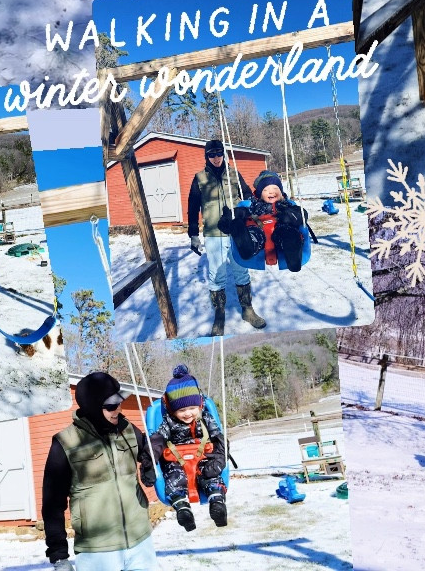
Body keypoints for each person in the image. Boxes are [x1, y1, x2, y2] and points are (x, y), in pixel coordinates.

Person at [41, 371, 157, 571]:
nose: (118, 409)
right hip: (97, 551)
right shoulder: (65, 443)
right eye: (111, 405)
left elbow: (152, 453)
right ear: (92, 406)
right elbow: (52, 504)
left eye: (119, 402)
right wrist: (59, 556)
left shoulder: (127, 429)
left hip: (140, 541)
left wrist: (150, 461)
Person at [188, 139, 261, 334]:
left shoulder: (234, 174)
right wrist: (193, 234)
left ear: (223, 154)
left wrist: (250, 210)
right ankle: (219, 316)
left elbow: (247, 196)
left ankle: (247, 310)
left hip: (237, 231)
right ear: (206, 156)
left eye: (219, 153)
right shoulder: (200, 178)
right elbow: (193, 207)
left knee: (241, 271)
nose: (216, 158)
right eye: (212, 154)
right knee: (216, 276)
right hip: (214, 234)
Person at [149, 364, 227, 530]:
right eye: (182, 410)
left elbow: (219, 438)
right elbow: (157, 440)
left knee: (211, 473)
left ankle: (217, 503)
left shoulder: (205, 418)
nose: (188, 413)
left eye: (192, 408)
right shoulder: (169, 422)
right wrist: (150, 460)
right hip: (178, 461)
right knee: (173, 476)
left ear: (199, 406)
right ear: (172, 410)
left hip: (203, 459)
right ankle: (183, 509)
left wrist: (220, 458)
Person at [222, 169, 315, 274]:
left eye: (275, 188)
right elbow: (242, 212)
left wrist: (292, 215)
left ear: (281, 191)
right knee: (253, 235)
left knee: (288, 233)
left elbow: (302, 215)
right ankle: (246, 245)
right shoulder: (254, 205)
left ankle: (293, 253)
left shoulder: (286, 205)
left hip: (280, 231)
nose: (271, 192)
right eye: (266, 190)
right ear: (260, 194)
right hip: (258, 230)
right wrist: (231, 216)